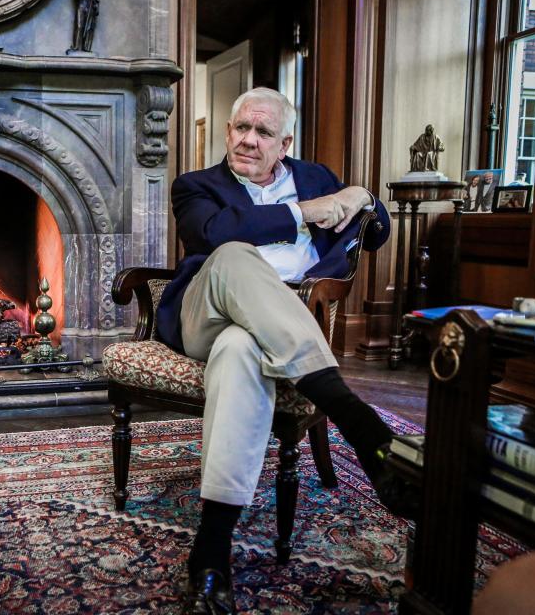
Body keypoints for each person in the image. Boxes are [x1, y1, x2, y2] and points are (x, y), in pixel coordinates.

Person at [155, 87, 417, 614]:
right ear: (228, 132)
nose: (248, 141)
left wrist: (362, 194)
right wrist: (306, 212)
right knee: (232, 254)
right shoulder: (195, 186)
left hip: (270, 330)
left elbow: (376, 233)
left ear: (285, 143)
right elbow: (215, 232)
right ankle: (356, 419)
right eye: (240, 129)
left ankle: (210, 552)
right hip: (207, 308)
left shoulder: (316, 176)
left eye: (263, 132)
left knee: (239, 351)